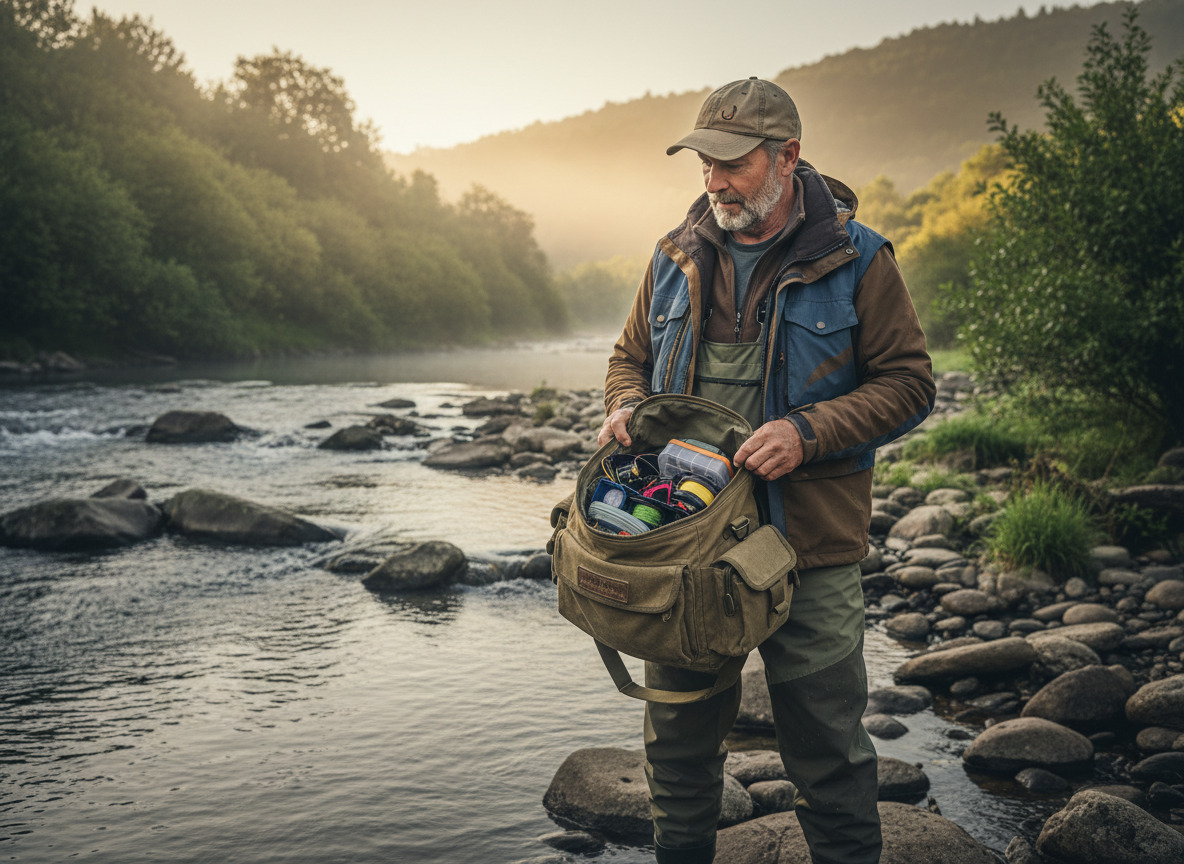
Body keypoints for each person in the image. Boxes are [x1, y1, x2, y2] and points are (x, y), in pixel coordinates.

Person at [596, 78, 936, 864]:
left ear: (788, 156)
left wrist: (807, 431)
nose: (713, 181)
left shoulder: (860, 259)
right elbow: (628, 361)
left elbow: (911, 384)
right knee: (677, 751)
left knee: (831, 757)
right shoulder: (672, 257)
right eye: (703, 164)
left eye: (732, 163)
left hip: (808, 548)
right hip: (681, 547)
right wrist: (624, 406)